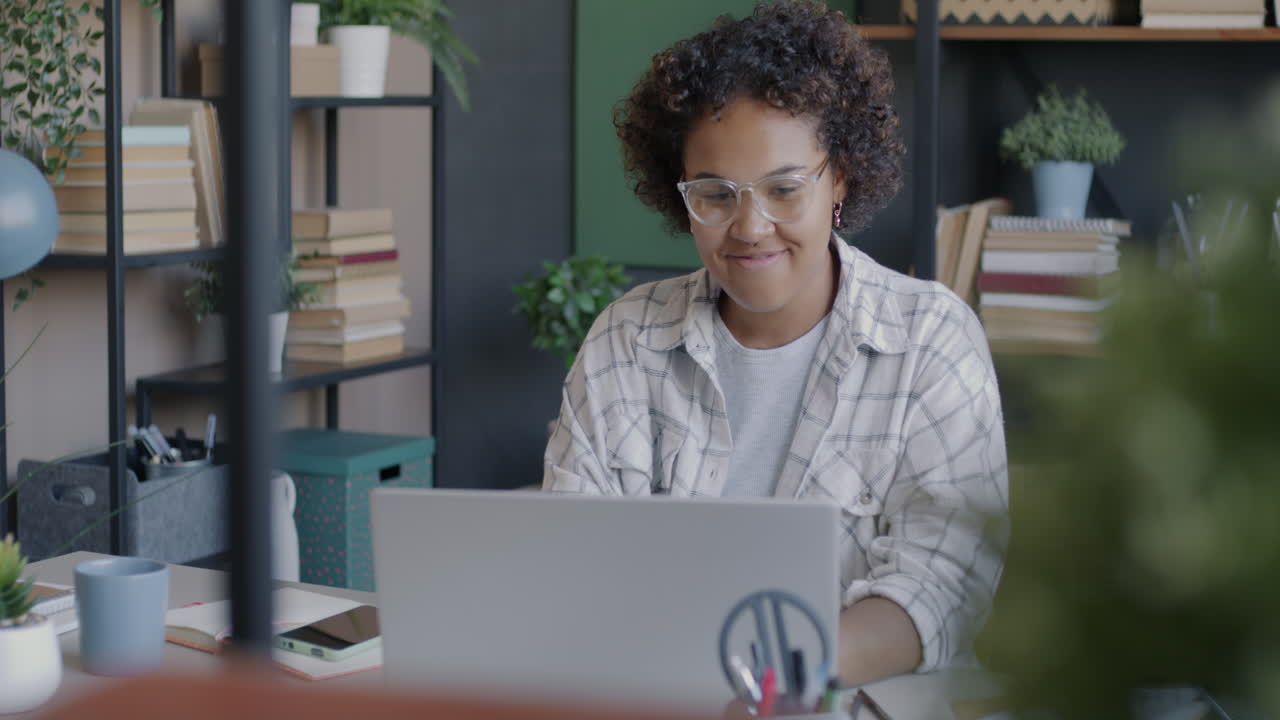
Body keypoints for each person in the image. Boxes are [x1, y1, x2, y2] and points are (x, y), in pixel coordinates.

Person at [543, 0, 1008, 688]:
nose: (750, 227)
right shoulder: (627, 339)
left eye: (785, 189)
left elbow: (943, 585)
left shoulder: (930, 341)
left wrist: (774, 674)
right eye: (716, 194)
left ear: (840, 178)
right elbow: (566, 557)